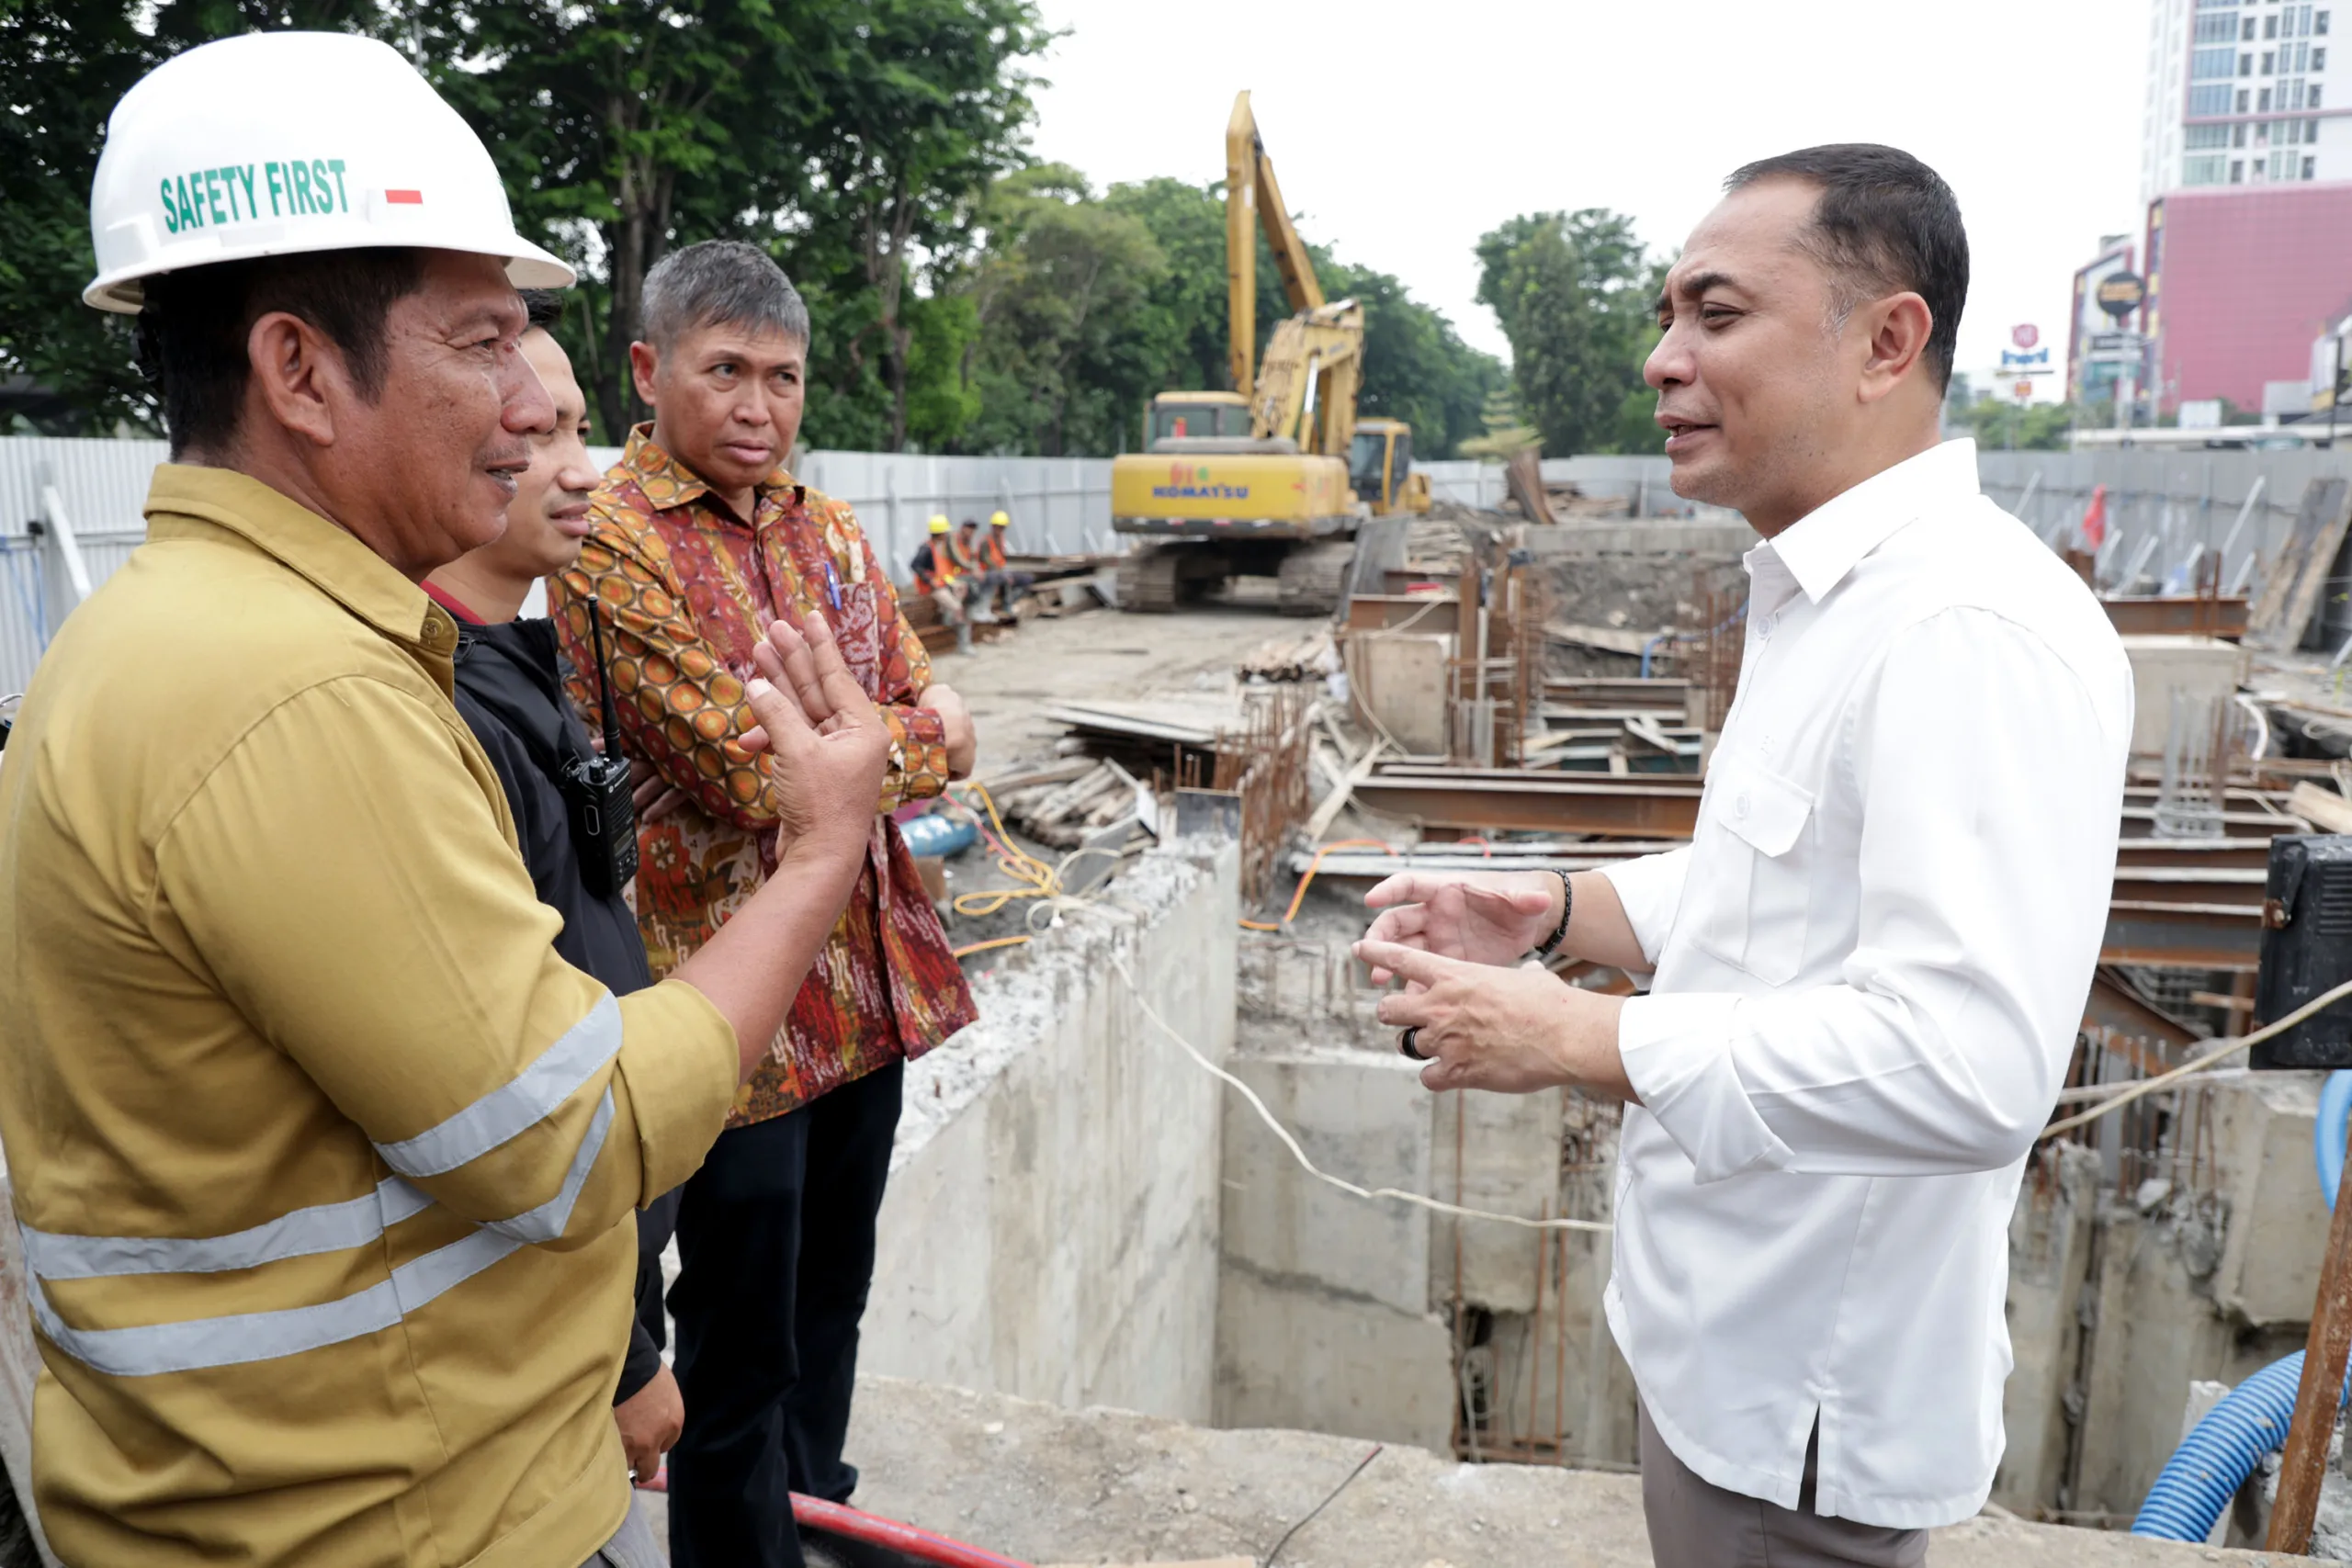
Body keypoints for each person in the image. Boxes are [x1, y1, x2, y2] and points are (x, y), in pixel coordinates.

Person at [0, 34, 888, 1568]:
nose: (521, 416)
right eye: (481, 348)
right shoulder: (292, 690)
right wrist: (821, 848)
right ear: (297, 370)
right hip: (389, 1522)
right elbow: (570, 1134)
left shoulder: (181, 633)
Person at [1353, 145, 2132, 1567]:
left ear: (1885, 341)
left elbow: (1967, 1059)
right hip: (1723, 1353)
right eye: (1671, 314)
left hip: (1800, 1419)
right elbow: (1782, 892)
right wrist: (1561, 907)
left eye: (1717, 314)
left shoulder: (1963, 629)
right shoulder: (1826, 595)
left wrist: (1586, 1037)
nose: (1664, 359)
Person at [549, 239, 979, 1568]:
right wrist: (907, 737)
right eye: (724, 370)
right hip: (724, 1015)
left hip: (860, 992)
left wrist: (887, 738)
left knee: (829, 1304)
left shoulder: (824, 522)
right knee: (739, 1338)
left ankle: (816, 1524)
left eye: (781, 377)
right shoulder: (612, 538)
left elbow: (932, 706)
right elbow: (753, 777)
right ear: (649, 368)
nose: (756, 405)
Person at [423, 289, 685, 1490]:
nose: (581, 471)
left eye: (580, 428)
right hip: (553, 1339)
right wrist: (627, 1357)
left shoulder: (525, 672)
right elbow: (506, 1104)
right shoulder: (439, 709)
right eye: (536, 436)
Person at [910, 513, 974, 652]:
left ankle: (947, 615)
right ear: (940, 533)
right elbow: (915, 565)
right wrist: (930, 580)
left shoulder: (936, 546)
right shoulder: (926, 549)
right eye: (945, 533)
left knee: (961, 587)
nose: (947, 535)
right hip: (931, 588)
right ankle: (964, 645)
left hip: (939, 582)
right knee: (959, 609)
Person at [976, 508, 1035, 617]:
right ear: (993, 526)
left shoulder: (1001, 539)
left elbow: (1001, 559)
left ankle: (1011, 600)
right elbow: (986, 560)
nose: (1000, 529)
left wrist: (1004, 571)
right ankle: (1007, 606)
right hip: (989, 574)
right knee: (1006, 578)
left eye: (1003, 527)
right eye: (998, 527)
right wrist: (1002, 572)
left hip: (1001, 571)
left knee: (1028, 579)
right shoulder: (985, 541)